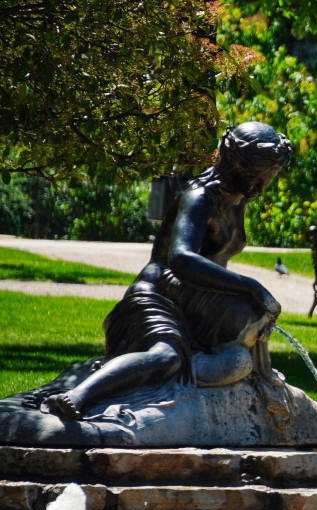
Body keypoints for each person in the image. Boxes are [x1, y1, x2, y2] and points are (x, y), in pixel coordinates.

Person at [31, 121, 292, 421]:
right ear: (239, 168)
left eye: (268, 178)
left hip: (195, 309)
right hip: (157, 297)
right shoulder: (198, 198)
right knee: (166, 357)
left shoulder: (238, 199)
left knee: (237, 356)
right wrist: (251, 287)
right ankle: (77, 395)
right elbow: (180, 258)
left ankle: (155, 378)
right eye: (260, 177)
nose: (262, 187)